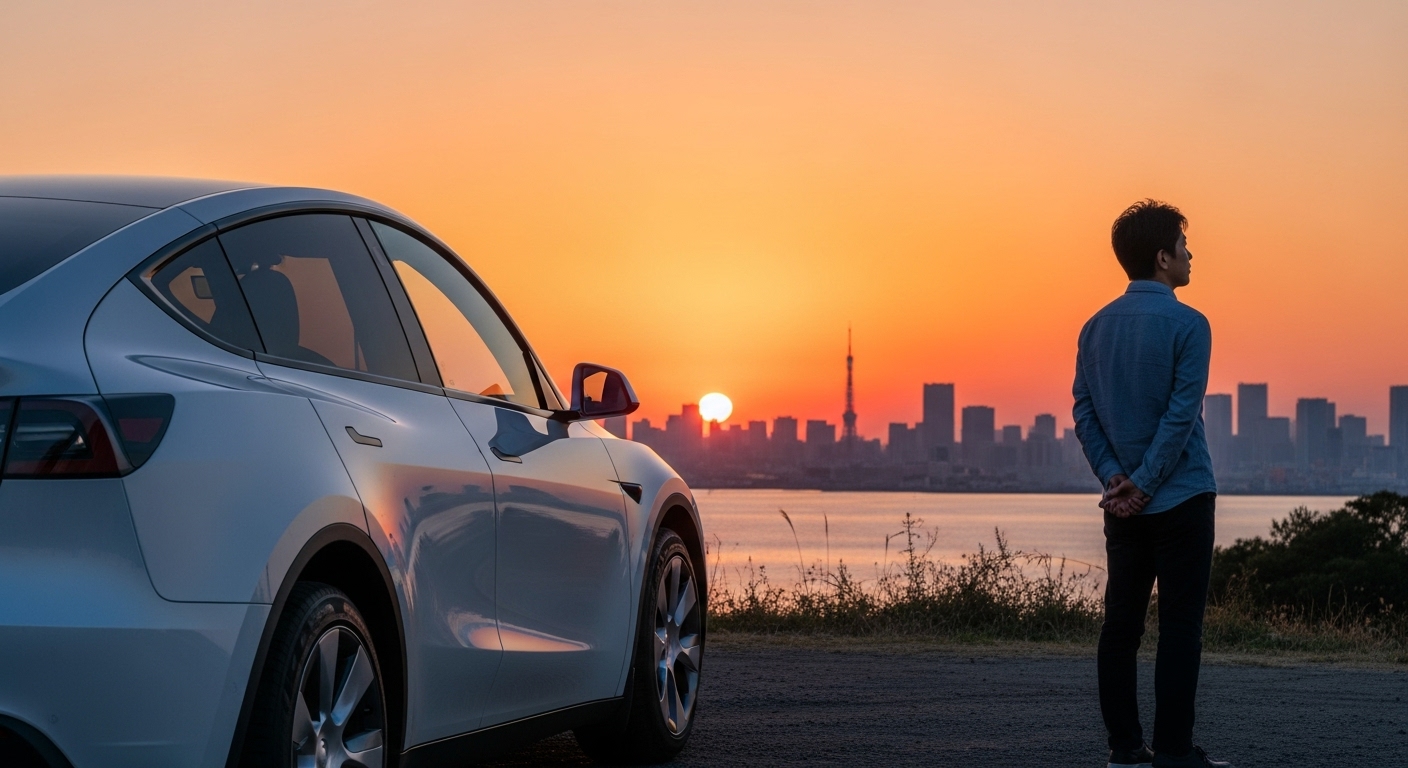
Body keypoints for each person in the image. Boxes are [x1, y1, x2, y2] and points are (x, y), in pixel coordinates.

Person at [1072, 200, 1232, 768]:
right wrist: (1141, 482)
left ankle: (1124, 749)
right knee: (1180, 629)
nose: (1192, 254)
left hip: (1123, 508)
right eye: (1185, 246)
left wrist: (1115, 479)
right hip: (1183, 496)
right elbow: (1181, 414)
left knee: (1121, 627)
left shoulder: (1094, 327)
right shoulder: (1191, 324)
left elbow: (1083, 412)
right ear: (1164, 257)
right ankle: (1172, 751)